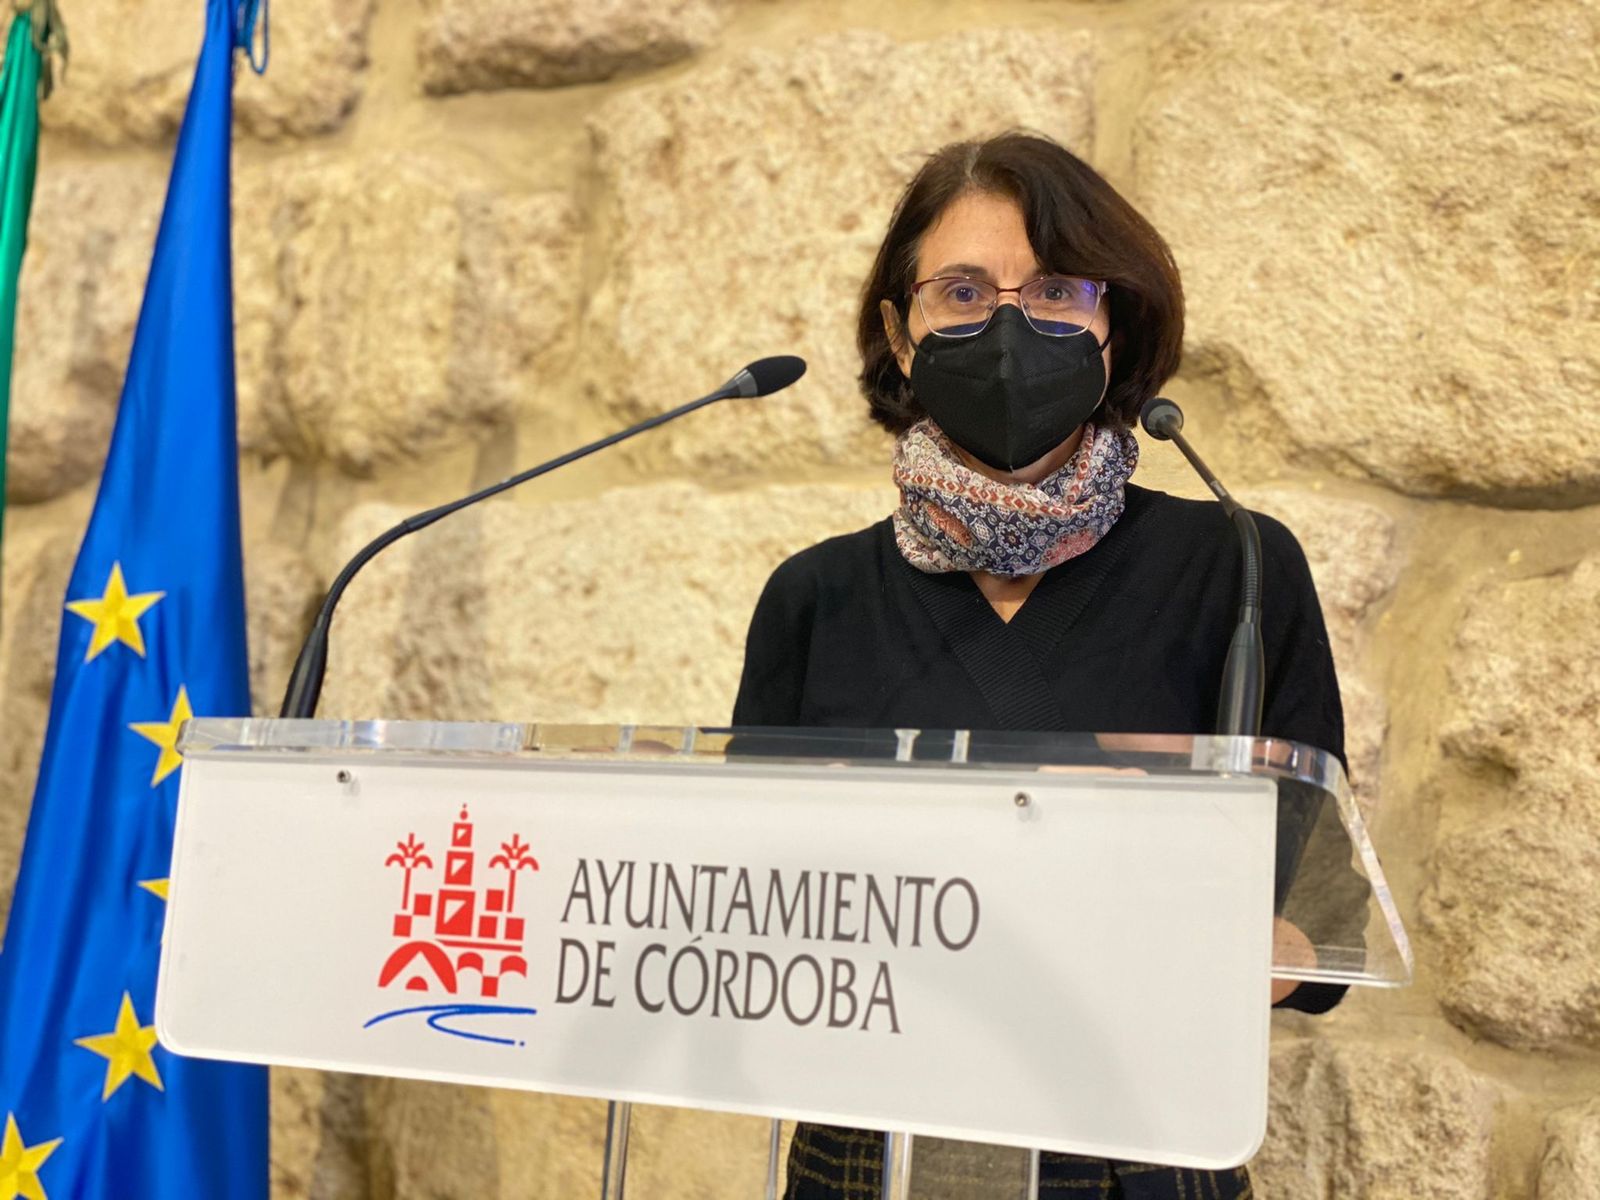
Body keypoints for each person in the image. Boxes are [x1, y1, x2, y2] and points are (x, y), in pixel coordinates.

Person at [731, 131, 1351, 1199]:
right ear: (900, 327)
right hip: (864, 1155)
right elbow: (742, 919)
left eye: (1057, 290)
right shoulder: (815, 596)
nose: (1009, 326)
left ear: (1115, 324)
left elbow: (1322, 913)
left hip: (1135, 1156)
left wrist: (1179, 890)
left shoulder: (1234, 566)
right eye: (962, 292)